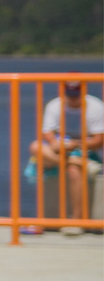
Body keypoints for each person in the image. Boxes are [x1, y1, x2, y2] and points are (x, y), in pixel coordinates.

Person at [27, 79, 103, 230]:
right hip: (58, 152)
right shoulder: (55, 105)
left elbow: (98, 141)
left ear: (82, 92)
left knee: (74, 170)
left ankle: (75, 221)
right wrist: (59, 144)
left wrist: (77, 144)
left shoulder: (95, 106)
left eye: (75, 94)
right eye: (69, 94)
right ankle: (77, 162)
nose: (72, 98)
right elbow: (47, 134)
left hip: (85, 153)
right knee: (36, 146)